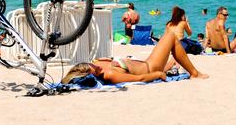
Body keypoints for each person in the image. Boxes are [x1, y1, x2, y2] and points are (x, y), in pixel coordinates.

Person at [61, 32, 209, 85]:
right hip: (151, 67)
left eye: (95, 66)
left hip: (145, 62)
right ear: (90, 76)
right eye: (96, 71)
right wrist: (157, 74)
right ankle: (195, 74)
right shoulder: (110, 75)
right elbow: (139, 79)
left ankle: (171, 64)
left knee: (173, 56)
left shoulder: (95, 63)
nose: (98, 68)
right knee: (170, 36)